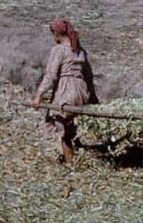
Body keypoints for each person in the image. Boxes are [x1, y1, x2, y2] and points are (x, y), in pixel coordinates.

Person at [31, 17, 97, 165]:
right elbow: (88, 76)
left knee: (63, 127)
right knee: (72, 124)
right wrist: (92, 97)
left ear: (56, 34)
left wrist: (38, 95)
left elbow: (51, 75)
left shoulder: (59, 50)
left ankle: (70, 163)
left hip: (66, 90)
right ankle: (74, 156)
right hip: (81, 90)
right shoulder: (80, 51)